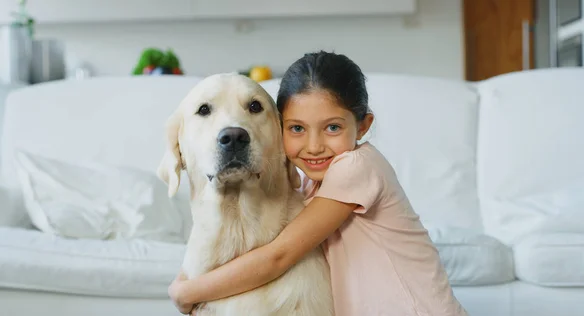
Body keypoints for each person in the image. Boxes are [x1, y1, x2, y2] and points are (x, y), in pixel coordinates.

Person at [168, 51, 468, 316]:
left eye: (333, 128)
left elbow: (277, 256)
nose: (314, 146)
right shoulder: (312, 183)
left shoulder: (357, 167)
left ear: (362, 126)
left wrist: (187, 292)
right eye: (297, 128)